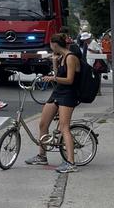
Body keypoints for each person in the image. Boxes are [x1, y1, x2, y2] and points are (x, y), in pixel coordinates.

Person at [25, 33, 81, 173]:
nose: (50, 48)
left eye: (51, 45)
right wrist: (55, 63)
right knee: (43, 124)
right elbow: (59, 75)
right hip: (58, 92)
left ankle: (71, 162)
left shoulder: (70, 57)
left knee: (64, 127)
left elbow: (69, 80)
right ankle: (42, 156)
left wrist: (53, 78)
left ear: (55, 45)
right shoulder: (61, 57)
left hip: (68, 94)